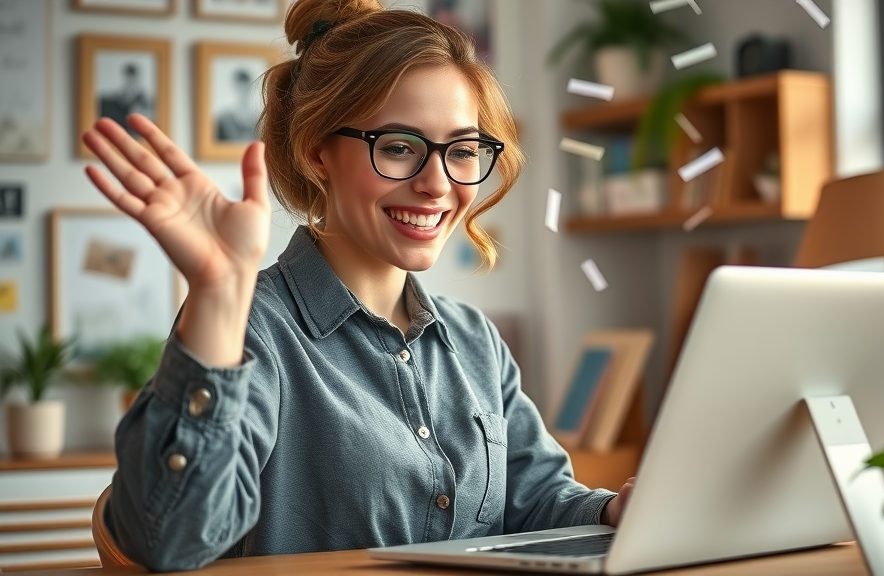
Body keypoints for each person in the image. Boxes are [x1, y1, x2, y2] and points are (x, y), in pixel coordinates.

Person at [80, 0, 634, 571]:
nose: (437, 183)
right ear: (317, 152)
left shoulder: (475, 341)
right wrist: (219, 292)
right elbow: (168, 542)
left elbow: (536, 499)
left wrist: (613, 510)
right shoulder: (249, 330)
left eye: (463, 151)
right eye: (398, 147)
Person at [215, 68, 257, 143]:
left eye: (246, 88)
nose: (243, 92)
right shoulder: (224, 119)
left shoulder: (258, 120)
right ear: (235, 88)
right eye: (241, 88)